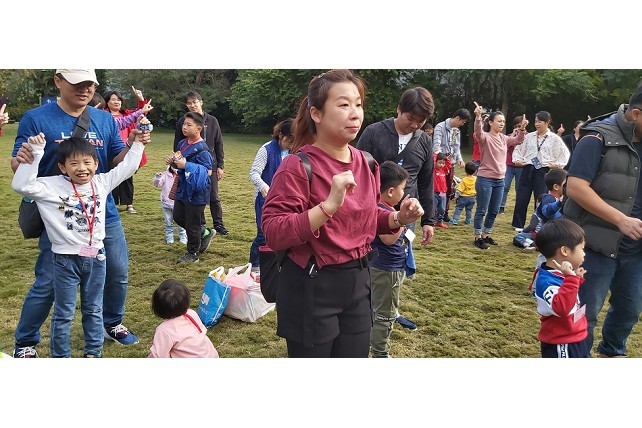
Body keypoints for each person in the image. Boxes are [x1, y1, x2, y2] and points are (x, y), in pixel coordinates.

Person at [261, 69, 425, 358]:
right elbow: (274, 232)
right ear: (316, 114)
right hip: (312, 286)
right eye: (344, 104)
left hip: (359, 282)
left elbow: (365, 217)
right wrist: (327, 206)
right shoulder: (297, 167)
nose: (355, 113)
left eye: (358, 104)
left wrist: (398, 218)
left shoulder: (368, 163)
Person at [11, 69, 147, 357]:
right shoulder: (36, 118)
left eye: (90, 84)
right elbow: (17, 165)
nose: (85, 89)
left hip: (102, 213)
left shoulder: (104, 119)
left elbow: (117, 161)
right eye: (77, 83)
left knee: (117, 272)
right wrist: (26, 157)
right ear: (58, 81)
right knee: (48, 282)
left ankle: (112, 323)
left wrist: (133, 143)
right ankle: (26, 341)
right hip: (59, 217)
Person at [563, 87, 642, 357]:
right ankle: (577, 358)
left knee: (630, 309)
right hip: (593, 245)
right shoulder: (597, 137)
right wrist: (620, 220)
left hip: (635, 250)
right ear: (636, 114)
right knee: (585, 313)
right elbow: (575, 187)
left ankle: (612, 352)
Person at [356, 86, 436, 330]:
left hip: (407, 213)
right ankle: (363, 306)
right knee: (368, 260)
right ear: (399, 109)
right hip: (372, 212)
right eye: (411, 118)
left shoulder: (424, 141)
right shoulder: (374, 132)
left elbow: (426, 181)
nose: (415, 125)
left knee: (396, 261)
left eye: (421, 121)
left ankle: (390, 308)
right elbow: (357, 171)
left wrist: (429, 221)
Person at [472, 103, 528, 250]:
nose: (502, 124)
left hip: (499, 180)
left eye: (503, 121)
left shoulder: (504, 138)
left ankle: (486, 234)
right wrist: (478, 117)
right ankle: (477, 237)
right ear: (490, 123)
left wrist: (522, 128)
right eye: (499, 121)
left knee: (494, 210)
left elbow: (518, 140)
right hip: (485, 179)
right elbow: (478, 132)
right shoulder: (485, 138)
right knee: (482, 210)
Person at [369, 161, 411, 358]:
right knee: (384, 314)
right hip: (386, 269)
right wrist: (403, 218)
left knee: (374, 308)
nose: (404, 192)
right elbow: (388, 239)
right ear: (391, 191)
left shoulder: (380, 206)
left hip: (380, 267)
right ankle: (380, 354)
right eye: (403, 188)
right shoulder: (384, 211)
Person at [531, 218, 588, 358]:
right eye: (581, 249)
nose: (584, 254)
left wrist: (576, 279)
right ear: (565, 250)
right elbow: (562, 308)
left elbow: (567, 296)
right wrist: (571, 280)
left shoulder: (560, 274)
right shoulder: (547, 282)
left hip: (574, 336)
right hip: (561, 341)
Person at [174, 91, 228, 236]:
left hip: (210, 165)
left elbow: (218, 143)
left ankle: (218, 224)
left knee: (213, 196)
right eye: (189, 103)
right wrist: (177, 161)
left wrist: (220, 166)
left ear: (201, 102)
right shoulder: (183, 122)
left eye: (194, 102)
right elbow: (178, 145)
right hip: (189, 165)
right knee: (195, 197)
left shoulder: (212, 121)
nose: (192, 105)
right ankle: (201, 226)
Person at [248, 118, 294, 272]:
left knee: (281, 234)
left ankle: (276, 264)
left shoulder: (294, 151)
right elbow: (254, 173)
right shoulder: (266, 149)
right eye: (289, 140)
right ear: (280, 135)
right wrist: (263, 186)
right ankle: (254, 264)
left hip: (285, 200)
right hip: (264, 200)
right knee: (263, 234)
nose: (291, 144)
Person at [511, 111, 570, 229]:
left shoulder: (554, 138)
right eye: (536, 122)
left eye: (540, 122)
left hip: (543, 170)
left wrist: (556, 165)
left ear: (547, 122)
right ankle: (518, 224)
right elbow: (519, 148)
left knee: (541, 197)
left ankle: (538, 223)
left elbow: (565, 154)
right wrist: (517, 160)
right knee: (522, 196)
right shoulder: (529, 136)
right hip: (528, 168)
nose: (537, 124)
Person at [169, 111, 214, 264]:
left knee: (192, 224)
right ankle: (204, 233)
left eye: (189, 125)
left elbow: (208, 172)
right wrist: (173, 162)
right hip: (183, 187)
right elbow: (180, 162)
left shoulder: (203, 150)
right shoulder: (182, 143)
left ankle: (192, 253)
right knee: (178, 216)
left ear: (199, 129)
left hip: (197, 192)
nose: (184, 127)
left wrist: (186, 165)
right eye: (184, 124)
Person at [104, 87, 149, 214]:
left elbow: (140, 113)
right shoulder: (103, 116)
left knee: (127, 177)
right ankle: (112, 203)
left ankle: (129, 204)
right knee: (111, 177)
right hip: (110, 151)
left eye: (118, 100)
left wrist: (140, 99)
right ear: (107, 102)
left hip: (127, 149)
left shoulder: (126, 114)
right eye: (113, 99)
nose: (116, 102)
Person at [148, 279, 219, 358]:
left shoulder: (164, 330)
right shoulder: (191, 313)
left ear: (157, 308)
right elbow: (202, 332)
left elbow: (159, 356)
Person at [433, 108, 471, 220]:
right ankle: (434, 213)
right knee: (437, 189)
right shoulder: (440, 127)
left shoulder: (456, 131)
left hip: (451, 164)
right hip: (440, 164)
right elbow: (436, 146)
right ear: (457, 118)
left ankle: (444, 212)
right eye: (462, 122)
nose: (462, 124)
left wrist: (460, 160)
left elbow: (456, 147)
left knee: (449, 189)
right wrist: (442, 161)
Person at [152, 166, 188, 245]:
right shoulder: (165, 175)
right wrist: (158, 177)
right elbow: (157, 184)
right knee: (168, 221)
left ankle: (183, 236)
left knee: (181, 221)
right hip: (167, 203)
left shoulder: (183, 175)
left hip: (179, 203)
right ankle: (169, 237)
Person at [499, 116, 526, 214]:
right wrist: (513, 135)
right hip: (509, 164)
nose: (518, 128)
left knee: (519, 188)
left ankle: (519, 206)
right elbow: (504, 148)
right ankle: (501, 205)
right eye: (516, 126)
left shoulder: (528, 136)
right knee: (505, 185)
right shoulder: (509, 136)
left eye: (520, 125)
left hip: (521, 165)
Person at [432, 153, 451, 228]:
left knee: (442, 209)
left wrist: (446, 158)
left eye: (443, 163)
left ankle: (439, 222)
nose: (441, 165)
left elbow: (448, 164)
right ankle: (432, 222)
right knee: (433, 209)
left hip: (443, 193)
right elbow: (432, 160)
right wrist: (436, 154)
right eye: (439, 163)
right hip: (435, 192)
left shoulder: (444, 170)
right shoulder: (434, 169)